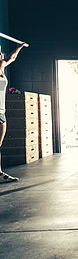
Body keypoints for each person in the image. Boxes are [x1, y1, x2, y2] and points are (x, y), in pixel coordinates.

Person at [0, 43, 26, 183]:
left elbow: (12, 57)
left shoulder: (2, 67)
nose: (1, 57)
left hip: (1, 112)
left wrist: (19, 47)